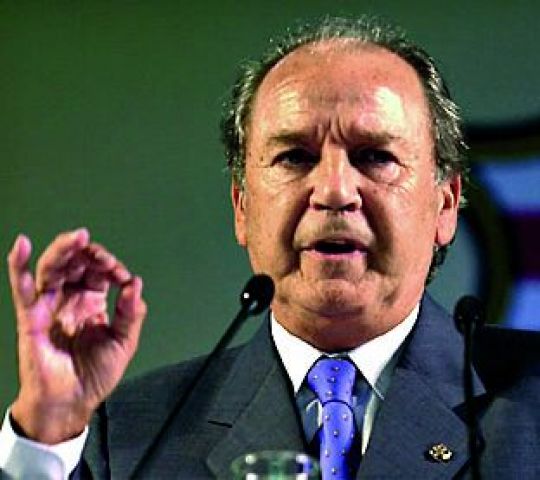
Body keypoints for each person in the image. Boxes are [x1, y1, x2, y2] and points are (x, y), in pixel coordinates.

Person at [1, 15, 540, 479]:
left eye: (375, 156)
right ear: (242, 208)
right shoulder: (131, 435)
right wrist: (47, 430)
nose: (334, 191)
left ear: (446, 204)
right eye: (295, 157)